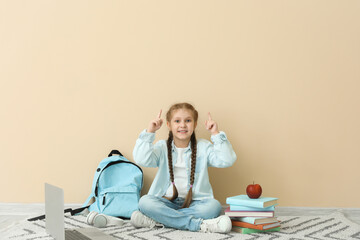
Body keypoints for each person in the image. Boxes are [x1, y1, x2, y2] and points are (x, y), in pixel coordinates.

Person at [131, 102, 237, 233]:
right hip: (165, 201)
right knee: (145, 202)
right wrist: (150, 131)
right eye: (177, 121)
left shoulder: (204, 147)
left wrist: (215, 133)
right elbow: (141, 158)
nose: (182, 125)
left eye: (188, 120)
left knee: (213, 206)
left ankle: (159, 221)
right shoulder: (162, 147)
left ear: (195, 124)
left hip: (196, 203)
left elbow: (227, 160)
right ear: (169, 125)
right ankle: (199, 225)